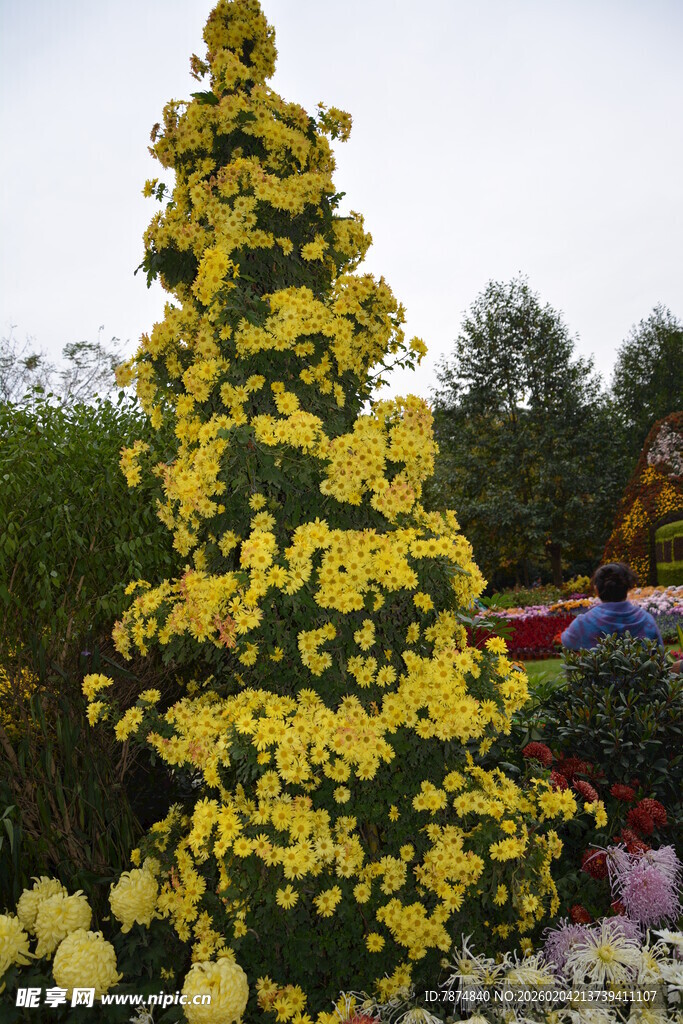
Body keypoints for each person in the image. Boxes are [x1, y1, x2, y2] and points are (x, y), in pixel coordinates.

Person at [560, 562, 663, 650]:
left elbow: (567, 642)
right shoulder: (646, 621)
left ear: (596, 590)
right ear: (628, 588)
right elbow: (660, 656)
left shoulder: (583, 623)